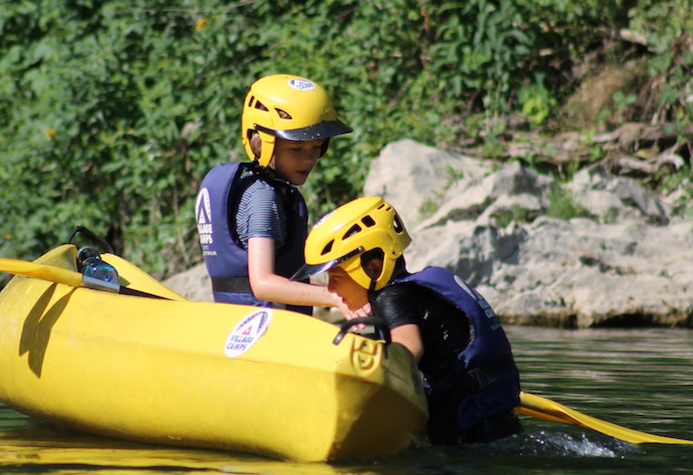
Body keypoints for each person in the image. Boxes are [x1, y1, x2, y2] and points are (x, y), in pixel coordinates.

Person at [293, 196, 523, 444]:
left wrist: (355, 375)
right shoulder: (425, 284)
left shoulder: (390, 298)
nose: (331, 289)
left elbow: (408, 349)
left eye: (336, 276)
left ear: (374, 267)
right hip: (497, 423)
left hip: (470, 436)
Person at [195, 74, 355, 316]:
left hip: (237, 323)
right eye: (296, 148)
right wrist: (336, 298)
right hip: (265, 327)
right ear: (262, 144)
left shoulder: (251, 187)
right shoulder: (262, 198)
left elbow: (281, 279)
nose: (309, 158)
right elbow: (263, 284)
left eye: (317, 147)